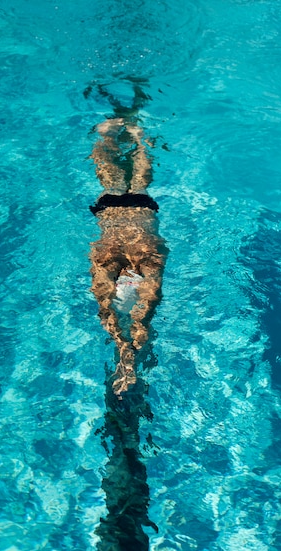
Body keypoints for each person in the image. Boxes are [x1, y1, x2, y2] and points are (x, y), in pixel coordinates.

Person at [89, 117, 168, 396]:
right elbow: (106, 303)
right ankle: (113, 134)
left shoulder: (148, 261)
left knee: (140, 177)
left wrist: (130, 343)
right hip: (112, 210)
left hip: (141, 209)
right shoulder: (108, 261)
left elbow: (150, 298)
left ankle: (137, 136)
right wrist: (124, 343)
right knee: (111, 175)